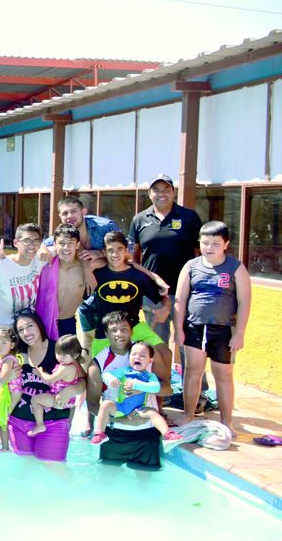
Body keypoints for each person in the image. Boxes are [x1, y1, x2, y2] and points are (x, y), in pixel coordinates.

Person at [173, 221, 251, 433]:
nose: (209, 247)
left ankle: (227, 422)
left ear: (225, 244)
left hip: (224, 330)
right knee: (193, 371)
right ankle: (188, 415)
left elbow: (244, 302)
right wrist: (178, 329)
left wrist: (240, 334)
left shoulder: (235, 267)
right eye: (205, 242)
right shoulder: (191, 266)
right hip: (195, 327)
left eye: (215, 243)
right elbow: (180, 299)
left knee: (223, 375)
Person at [77, 231, 171, 388]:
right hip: (105, 330)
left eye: (119, 249)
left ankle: (160, 396)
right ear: (104, 252)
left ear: (126, 250)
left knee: (165, 353)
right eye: (111, 250)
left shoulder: (137, 276)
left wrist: (166, 307)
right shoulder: (97, 274)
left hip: (134, 326)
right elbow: (80, 293)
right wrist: (87, 270)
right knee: (98, 374)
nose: (115, 254)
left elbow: (162, 296)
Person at [128, 174, 202, 359]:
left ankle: (194, 379)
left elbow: (199, 254)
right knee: (158, 345)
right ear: (149, 193)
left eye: (166, 189)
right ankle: (161, 377)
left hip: (185, 292)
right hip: (153, 294)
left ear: (173, 192)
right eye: (156, 190)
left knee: (188, 344)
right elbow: (134, 257)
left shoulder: (189, 217)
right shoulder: (139, 219)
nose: (161, 194)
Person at [86, 322, 173, 469]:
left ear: (131, 331)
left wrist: (143, 389)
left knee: (146, 479)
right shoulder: (98, 363)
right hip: (114, 435)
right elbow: (92, 405)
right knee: (107, 478)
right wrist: (123, 420)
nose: (119, 334)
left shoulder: (148, 353)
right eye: (114, 330)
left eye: (124, 329)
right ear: (106, 334)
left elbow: (167, 389)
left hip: (146, 432)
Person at [7, 310, 83, 462]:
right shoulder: (16, 354)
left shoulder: (59, 350)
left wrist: (70, 390)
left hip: (54, 423)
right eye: (20, 330)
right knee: (25, 470)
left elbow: (82, 381)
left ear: (39, 325)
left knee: (54, 470)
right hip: (18, 424)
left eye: (30, 326)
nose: (26, 333)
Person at [91, 342, 183, 446]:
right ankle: (99, 433)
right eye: (134, 354)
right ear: (129, 357)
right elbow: (105, 375)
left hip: (139, 409)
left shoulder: (150, 376)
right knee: (105, 404)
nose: (137, 357)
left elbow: (155, 387)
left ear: (150, 361)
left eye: (142, 356)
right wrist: (111, 379)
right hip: (121, 407)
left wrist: (136, 385)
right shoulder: (124, 371)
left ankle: (167, 434)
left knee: (153, 413)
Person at [0, 223, 48, 334]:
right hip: (5, 332)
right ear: (16, 243)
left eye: (36, 242)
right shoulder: (1, 267)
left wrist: (44, 248)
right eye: (27, 241)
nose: (32, 246)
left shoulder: (39, 260)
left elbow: (59, 247)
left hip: (28, 330)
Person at [34, 224, 94, 340]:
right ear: (54, 244)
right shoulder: (45, 262)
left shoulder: (86, 268)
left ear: (77, 245)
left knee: (69, 352)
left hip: (68, 322)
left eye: (70, 243)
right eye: (61, 243)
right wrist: (42, 247)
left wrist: (87, 269)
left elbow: (108, 261)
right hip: (41, 320)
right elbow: (29, 255)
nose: (66, 247)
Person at [27, 334, 86, 437]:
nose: (60, 357)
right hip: (63, 398)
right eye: (58, 353)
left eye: (64, 355)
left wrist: (40, 373)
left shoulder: (66, 368)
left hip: (59, 399)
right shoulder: (71, 364)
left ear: (75, 355)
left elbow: (50, 379)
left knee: (35, 400)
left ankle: (40, 424)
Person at [42, 195, 122, 260]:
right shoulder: (62, 234)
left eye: (73, 211)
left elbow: (127, 253)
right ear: (60, 217)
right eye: (65, 213)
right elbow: (42, 247)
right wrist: (45, 250)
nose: (69, 216)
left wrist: (100, 253)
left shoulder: (106, 227)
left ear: (83, 211)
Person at [0, 327, 21, 452]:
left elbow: (2, 378)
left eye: (4, 343)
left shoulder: (8, 359)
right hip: (6, 390)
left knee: (3, 418)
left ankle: (5, 448)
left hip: (13, 393)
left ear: (11, 345)